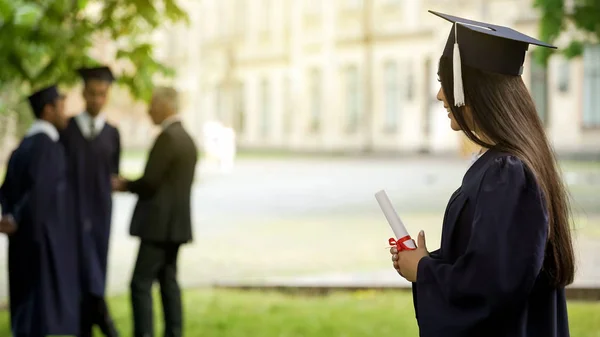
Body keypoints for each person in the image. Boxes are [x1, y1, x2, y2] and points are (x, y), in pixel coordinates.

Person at [389, 10, 575, 337]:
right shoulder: (508, 164)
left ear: (472, 90)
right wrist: (429, 261)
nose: (439, 95)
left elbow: (492, 286)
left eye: (443, 83)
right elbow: (496, 263)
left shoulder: (509, 172)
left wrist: (424, 269)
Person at [112, 86, 198, 337]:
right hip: (177, 226)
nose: (149, 109)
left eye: (153, 104)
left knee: (140, 284)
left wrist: (124, 184)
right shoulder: (187, 139)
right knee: (168, 282)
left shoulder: (167, 138)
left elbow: (150, 182)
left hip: (158, 226)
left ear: (166, 106)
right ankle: (174, 332)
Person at [0, 85, 80, 336]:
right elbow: (39, 192)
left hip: (21, 242)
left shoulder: (23, 145)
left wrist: (10, 216)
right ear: (48, 109)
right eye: (61, 107)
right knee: (40, 314)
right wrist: (19, 218)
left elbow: (6, 189)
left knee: (24, 311)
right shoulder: (48, 147)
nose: (65, 114)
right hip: (42, 241)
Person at [60, 66, 121, 337]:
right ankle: (104, 324)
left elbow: (114, 176)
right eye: (92, 93)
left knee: (97, 269)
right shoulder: (68, 130)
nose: (97, 99)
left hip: (100, 214)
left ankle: (88, 326)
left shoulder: (112, 133)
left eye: (102, 94)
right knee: (78, 274)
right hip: (71, 213)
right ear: (83, 93)